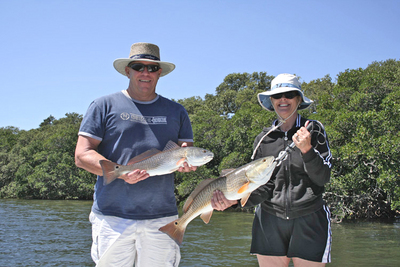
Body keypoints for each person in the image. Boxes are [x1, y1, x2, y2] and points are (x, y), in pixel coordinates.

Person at [75, 42, 196, 267]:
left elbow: (186, 151)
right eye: (139, 66)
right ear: (127, 70)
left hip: (163, 217)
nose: (145, 73)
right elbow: (82, 155)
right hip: (112, 217)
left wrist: (187, 164)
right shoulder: (103, 105)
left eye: (152, 68)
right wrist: (120, 173)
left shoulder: (177, 111)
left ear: (160, 73)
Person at [211, 73, 332, 267]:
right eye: (277, 96)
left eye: (289, 94)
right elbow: (263, 188)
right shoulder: (262, 139)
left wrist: (307, 150)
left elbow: (323, 178)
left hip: (310, 219)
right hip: (269, 221)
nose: (283, 100)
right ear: (271, 101)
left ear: (299, 99)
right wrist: (232, 202)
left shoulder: (314, 130)